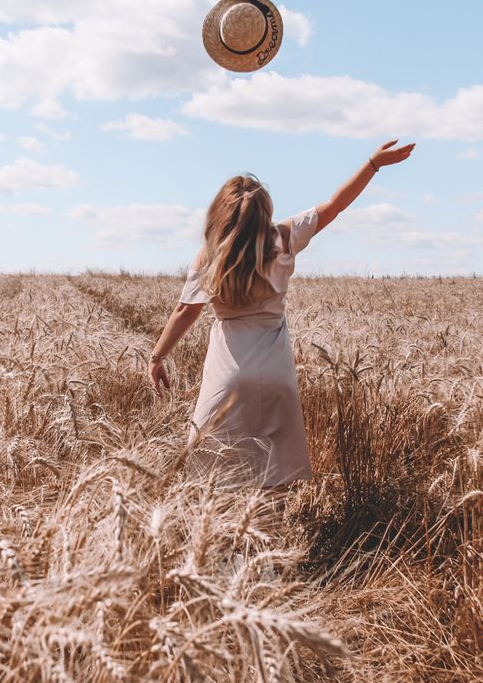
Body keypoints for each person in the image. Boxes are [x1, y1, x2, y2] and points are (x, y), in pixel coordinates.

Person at [148, 139, 415, 490]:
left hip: (229, 373)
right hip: (277, 374)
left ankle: (228, 538)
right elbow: (334, 207)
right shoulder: (284, 238)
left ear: (219, 214)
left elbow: (185, 311)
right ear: (265, 211)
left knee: (213, 471)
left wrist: (157, 356)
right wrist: (372, 164)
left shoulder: (209, 256)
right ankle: (272, 536)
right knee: (273, 474)